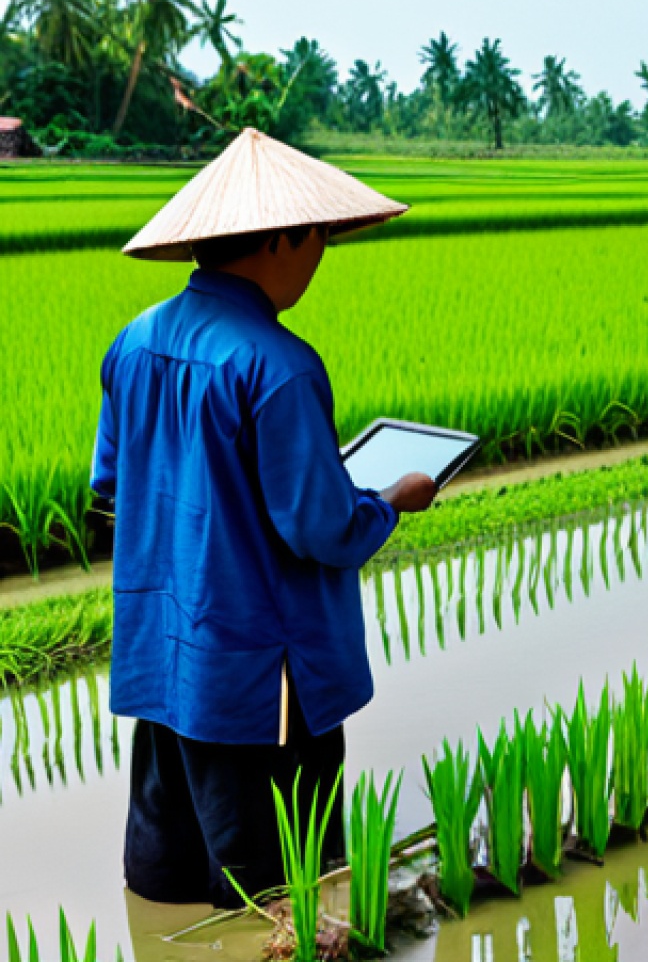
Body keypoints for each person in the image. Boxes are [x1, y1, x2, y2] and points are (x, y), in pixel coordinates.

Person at [90, 128, 436, 907]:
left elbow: (116, 479)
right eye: (319, 239)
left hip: (164, 655)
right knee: (285, 900)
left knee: (165, 878)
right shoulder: (278, 364)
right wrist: (389, 502)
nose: (319, 257)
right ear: (283, 237)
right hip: (260, 677)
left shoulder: (132, 343)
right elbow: (322, 530)